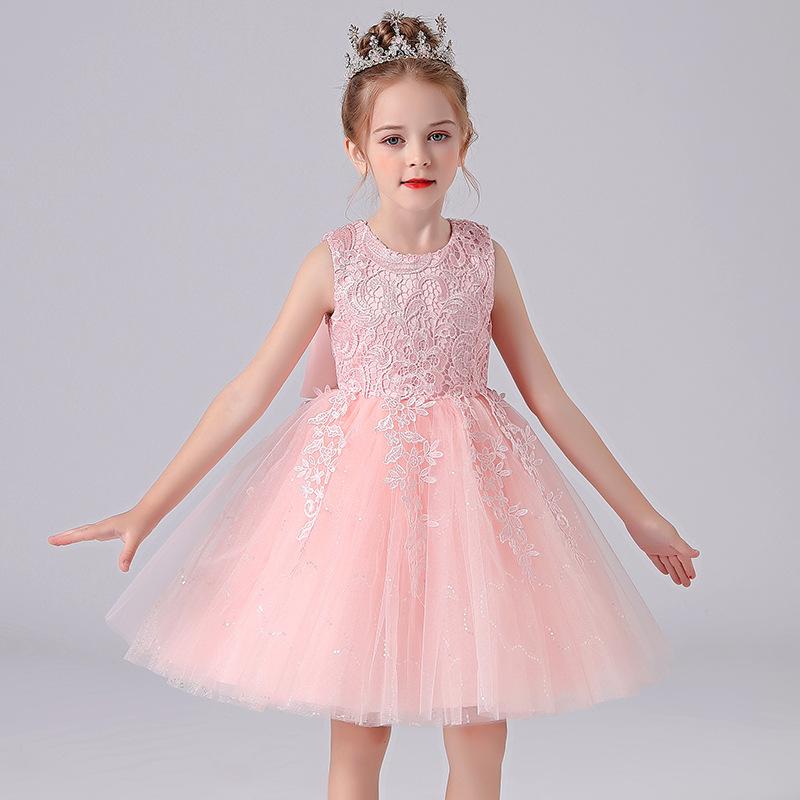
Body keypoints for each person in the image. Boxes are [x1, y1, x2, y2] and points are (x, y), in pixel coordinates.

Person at [48, 10, 700, 800]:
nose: (417, 155)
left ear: (465, 144)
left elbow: (550, 398)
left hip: (473, 508)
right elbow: (247, 393)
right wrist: (147, 509)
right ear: (357, 150)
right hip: (361, 513)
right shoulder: (335, 262)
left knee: (480, 729)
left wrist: (640, 515)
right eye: (392, 138)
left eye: (437, 135)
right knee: (358, 733)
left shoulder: (484, 259)